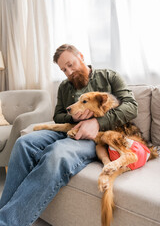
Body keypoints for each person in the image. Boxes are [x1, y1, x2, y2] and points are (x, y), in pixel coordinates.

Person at [0, 44, 138, 226]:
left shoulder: (109, 76)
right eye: (64, 69)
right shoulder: (64, 87)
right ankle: (4, 210)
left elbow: (131, 106)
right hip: (68, 129)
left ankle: (7, 222)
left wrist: (97, 122)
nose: (69, 72)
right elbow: (57, 116)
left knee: (57, 154)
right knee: (23, 143)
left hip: (93, 137)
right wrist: (72, 116)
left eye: (70, 65)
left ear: (80, 56)